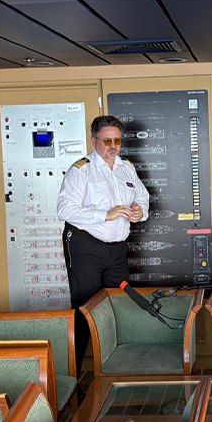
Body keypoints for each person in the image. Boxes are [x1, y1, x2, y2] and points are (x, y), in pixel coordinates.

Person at [56, 115, 149, 373]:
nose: (112, 146)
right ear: (93, 140)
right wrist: (104, 214)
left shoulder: (126, 167)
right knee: (86, 309)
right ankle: (73, 376)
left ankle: (112, 369)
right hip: (87, 247)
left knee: (116, 306)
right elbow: (64, 209)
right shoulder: (81, 170)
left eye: (117, 140)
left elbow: (142, 196)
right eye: (106, 140)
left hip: (117, 250)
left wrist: (141, 210)